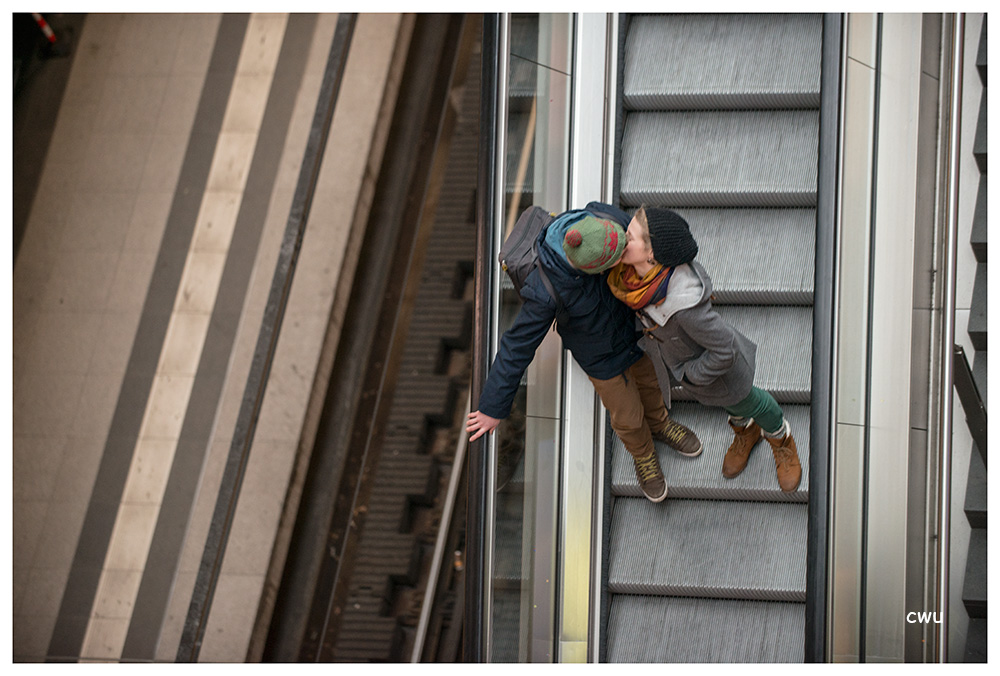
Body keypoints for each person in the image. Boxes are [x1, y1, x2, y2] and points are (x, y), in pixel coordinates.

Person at [467, 202, 701, 502]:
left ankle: (660, 424)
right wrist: (492, 407)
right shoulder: (544, 292)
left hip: (631, 331)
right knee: (626, 414)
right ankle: (643, 454)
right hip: (599, 355)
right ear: (592, 269)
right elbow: (516, 347)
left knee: (650, 382)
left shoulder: (607, 221)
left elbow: (649, 238)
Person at [606, 206, 801, 492]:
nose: (622, 240)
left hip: (719, 375)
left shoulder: (685, 309)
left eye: (630, 236)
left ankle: (781, 438)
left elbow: (725, 350)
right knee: (731, 405)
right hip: (701, 378)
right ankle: (746, 430)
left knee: (751, 402)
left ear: (652, 254)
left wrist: (690, 375)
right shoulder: (637, 282)